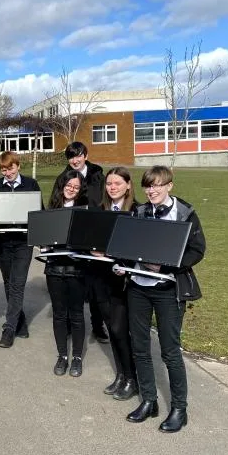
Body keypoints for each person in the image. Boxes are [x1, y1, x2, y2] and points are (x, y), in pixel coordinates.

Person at [122, 165, 205, 433]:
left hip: (168, 289)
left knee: (170, 351)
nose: (152, 190)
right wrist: (122, 263)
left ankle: (180, 408)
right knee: (140, 346)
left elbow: (197, 249)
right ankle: (149, 400)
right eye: (147, 186)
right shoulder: (140, 211)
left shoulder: (185, 213)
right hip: (138, 286)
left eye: (157, 185)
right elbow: (129, 244)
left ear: (169, 185)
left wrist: (169, 266)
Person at [90, 167, 139, 400]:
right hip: (101, 278)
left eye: (117, 183)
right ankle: (121, 374)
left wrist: (115, 257)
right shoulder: (100, 211)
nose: (112, 187)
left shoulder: (137, 211)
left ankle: (132, 378)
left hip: (123, 280)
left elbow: (138, 247)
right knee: (112, 328)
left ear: (128, 185)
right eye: (109, 183)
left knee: (121, 329)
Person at [0, 151, 40, 348]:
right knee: (9, 283)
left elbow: (38, 213)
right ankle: (20, 321)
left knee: (17, 284)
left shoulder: (31, 185)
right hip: (2, 242)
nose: (7, 173)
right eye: (3, 169)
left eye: (10, 168)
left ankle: (9, 328)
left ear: (18, 166)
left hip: (23, 242)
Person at [62, 140, 109, 344]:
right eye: (71, 156)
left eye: (78, 155)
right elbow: (59, 200)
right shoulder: (65, 175)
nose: (75, 159)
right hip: (75, 233)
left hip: (95, 230)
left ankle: (98, 326)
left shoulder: (97, 173)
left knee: (96, 284)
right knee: (76, 283)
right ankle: (73, 323)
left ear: (86, 155)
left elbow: (106, 196)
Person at [44, 170, 88, 377]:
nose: (71, 189)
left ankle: (77, 358)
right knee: (59, 314)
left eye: (76, 187)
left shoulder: (85, 210)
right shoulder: (51, 208)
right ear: (62, 186)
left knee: (77, 314)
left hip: (77, 269)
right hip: (54, 268)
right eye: (69, 185)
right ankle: (62, 355)